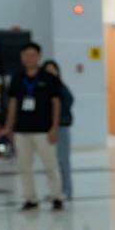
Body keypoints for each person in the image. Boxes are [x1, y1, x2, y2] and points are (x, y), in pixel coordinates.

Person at [3, 42, 64, 212]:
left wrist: (54, 127)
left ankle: (56, 197)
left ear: (39, 56)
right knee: (24, 166)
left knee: (50, 165)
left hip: (44, 130)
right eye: (25, 55)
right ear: (21, 58)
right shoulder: (17, 77)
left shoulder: (49, 78)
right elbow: (13, 103)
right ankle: (30, 199)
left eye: (32, 55)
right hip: (22, 130)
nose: (29, 59)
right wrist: (8, 127)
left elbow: (56, 103)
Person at [42, 60, 74, 200]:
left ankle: (66, 190)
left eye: (52, 69)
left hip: (61, 127)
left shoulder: (61, 87)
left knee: (63, 160)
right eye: (47, 70)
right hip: (47, 128)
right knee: (51, 161)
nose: (50, 72)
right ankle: (55, 191)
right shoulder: (43, 88)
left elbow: (68, 101)